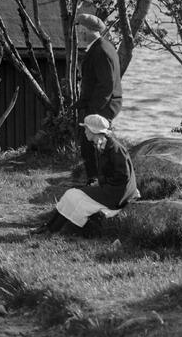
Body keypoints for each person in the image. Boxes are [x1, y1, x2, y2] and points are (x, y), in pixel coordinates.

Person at [37, 114, 139, 234]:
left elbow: (123, 176)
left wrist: (103, 184)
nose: (85, 131)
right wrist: (100, 182)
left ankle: (51, 229)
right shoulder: (102, 144)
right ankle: (49, 227)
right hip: (111, 189)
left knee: (73, 195)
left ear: (94, 131)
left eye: (86, 128)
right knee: (71, 194)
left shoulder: (116, 149)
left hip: (117, 194)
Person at [74, 12, 122, 185]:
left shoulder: (101, 50)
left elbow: (106, 85)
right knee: (90, 142)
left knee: (93, 142)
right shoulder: (100, 47)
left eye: (80, 28)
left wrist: (93, 111)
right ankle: (97, 179)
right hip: (101, 103)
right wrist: (82, 103)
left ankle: (97, 180)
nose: (78, 33)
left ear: (88, 30)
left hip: (104, 105)